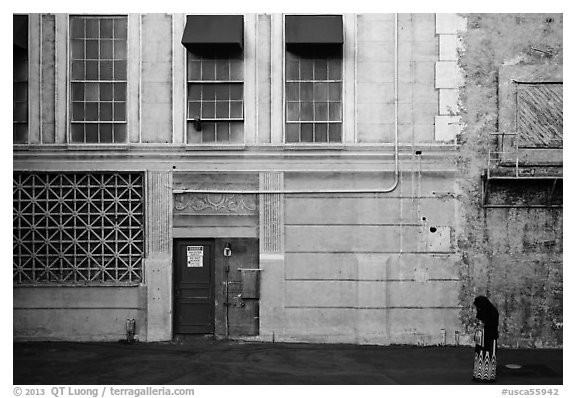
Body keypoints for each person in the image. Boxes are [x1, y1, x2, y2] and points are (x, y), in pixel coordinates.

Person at [472, 295, 499, 382]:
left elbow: (492, 324)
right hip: (482, 337)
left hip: (490, 337)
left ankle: (488, 376)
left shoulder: (492, 312)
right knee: (480, 354)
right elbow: (478, 321)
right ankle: (479, 375)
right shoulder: (482, 310)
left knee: (489, 355)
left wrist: (482, 324)